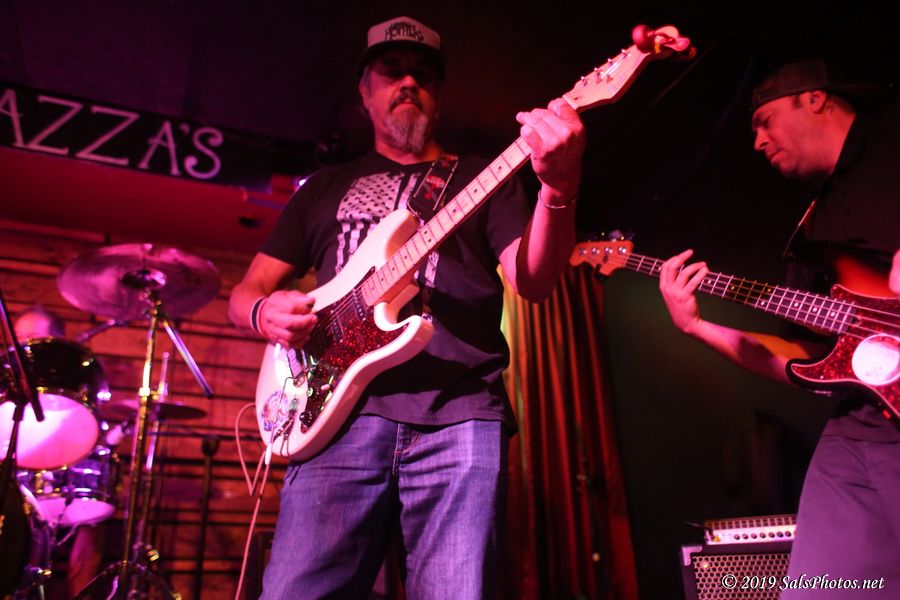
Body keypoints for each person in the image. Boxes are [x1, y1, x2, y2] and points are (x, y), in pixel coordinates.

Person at [228, 15, 584, 600]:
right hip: (332, 416)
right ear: (365, 92)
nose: (409, 82)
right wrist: (263, 313)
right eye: (392, 71)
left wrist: (558, 190)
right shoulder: (323, 189)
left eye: (423, 74)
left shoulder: (480, 177)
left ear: (438, 94)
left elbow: (534, 281)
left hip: (459, 410)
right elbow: (246, 292)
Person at [658, 60, 899, 597]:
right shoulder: (813, 232)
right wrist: (696, 326)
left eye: (764, 121)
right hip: (862, 426)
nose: (757, 142)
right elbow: (803, 357)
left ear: (814, 98)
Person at [13, 306, 106, 599]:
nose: (24, 345)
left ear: (56, 340)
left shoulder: (75, 385)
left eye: (32, 336)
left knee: (93, 512)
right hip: (17, 460)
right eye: (19, 337)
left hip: (69, 454)